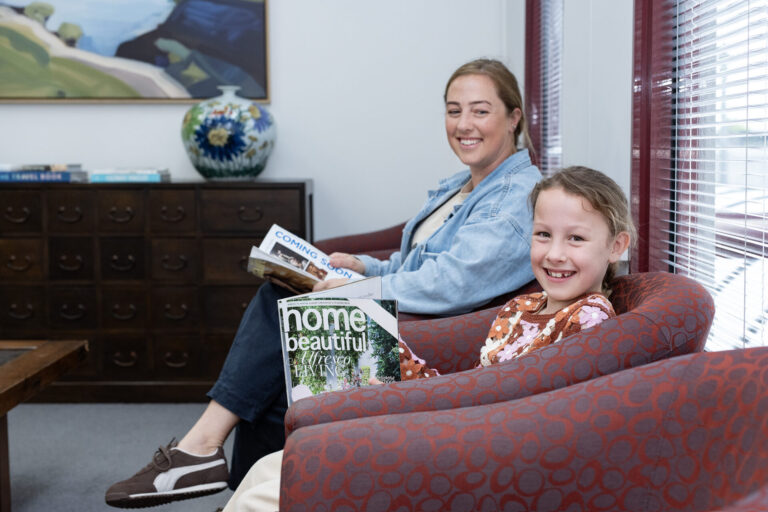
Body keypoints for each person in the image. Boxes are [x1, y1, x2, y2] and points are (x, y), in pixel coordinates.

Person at [105, 58, 541, 509]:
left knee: (280, 306)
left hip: (429, 345)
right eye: (454, 111)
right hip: (411, 315)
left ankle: (200, 449)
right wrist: (364, 267)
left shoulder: (511, 201)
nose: (464, 124)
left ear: (513, 118)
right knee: (277, 357)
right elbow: (418, 265)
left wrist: (356, 291)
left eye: (480, 110)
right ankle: (244, 492)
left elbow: (451, 285)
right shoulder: (466, 186)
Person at [221, 165, 635, 512]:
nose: (554, 254)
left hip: (470, 449)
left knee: (275, 489)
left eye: (575, 239)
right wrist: (395, 358)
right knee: (271, 466)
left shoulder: (589, 320)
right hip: (451, 420)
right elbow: (482, 381)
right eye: (543, 235)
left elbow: (523, 406)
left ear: (617, 245)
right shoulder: (521, 308)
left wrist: (409, 388)